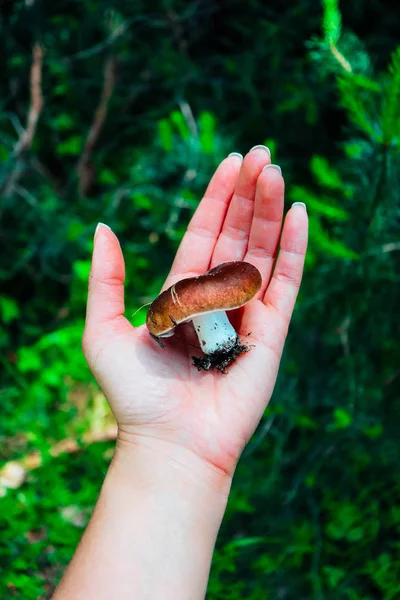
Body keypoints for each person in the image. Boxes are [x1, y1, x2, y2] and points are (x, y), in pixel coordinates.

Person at [53, 146, 308, 599]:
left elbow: (229, 283)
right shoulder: (174, 309)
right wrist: (167, 451)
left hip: (217, 337)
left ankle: (221, 350)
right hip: (193, 374)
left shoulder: (228, 283)